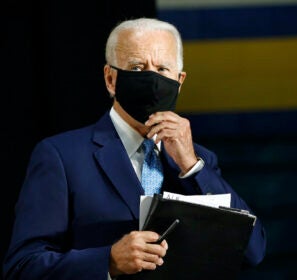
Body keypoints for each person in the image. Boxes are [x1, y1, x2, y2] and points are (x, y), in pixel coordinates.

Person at [3, 17, 266, 279]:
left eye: (162, 69)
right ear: (110, 79)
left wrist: (192, 166)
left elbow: (250, 251)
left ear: (180, 80)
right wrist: (108, 262)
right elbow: (23, 267)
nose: (152, 79)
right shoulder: (61, 157)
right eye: (138, 68)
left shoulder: (200, 160)